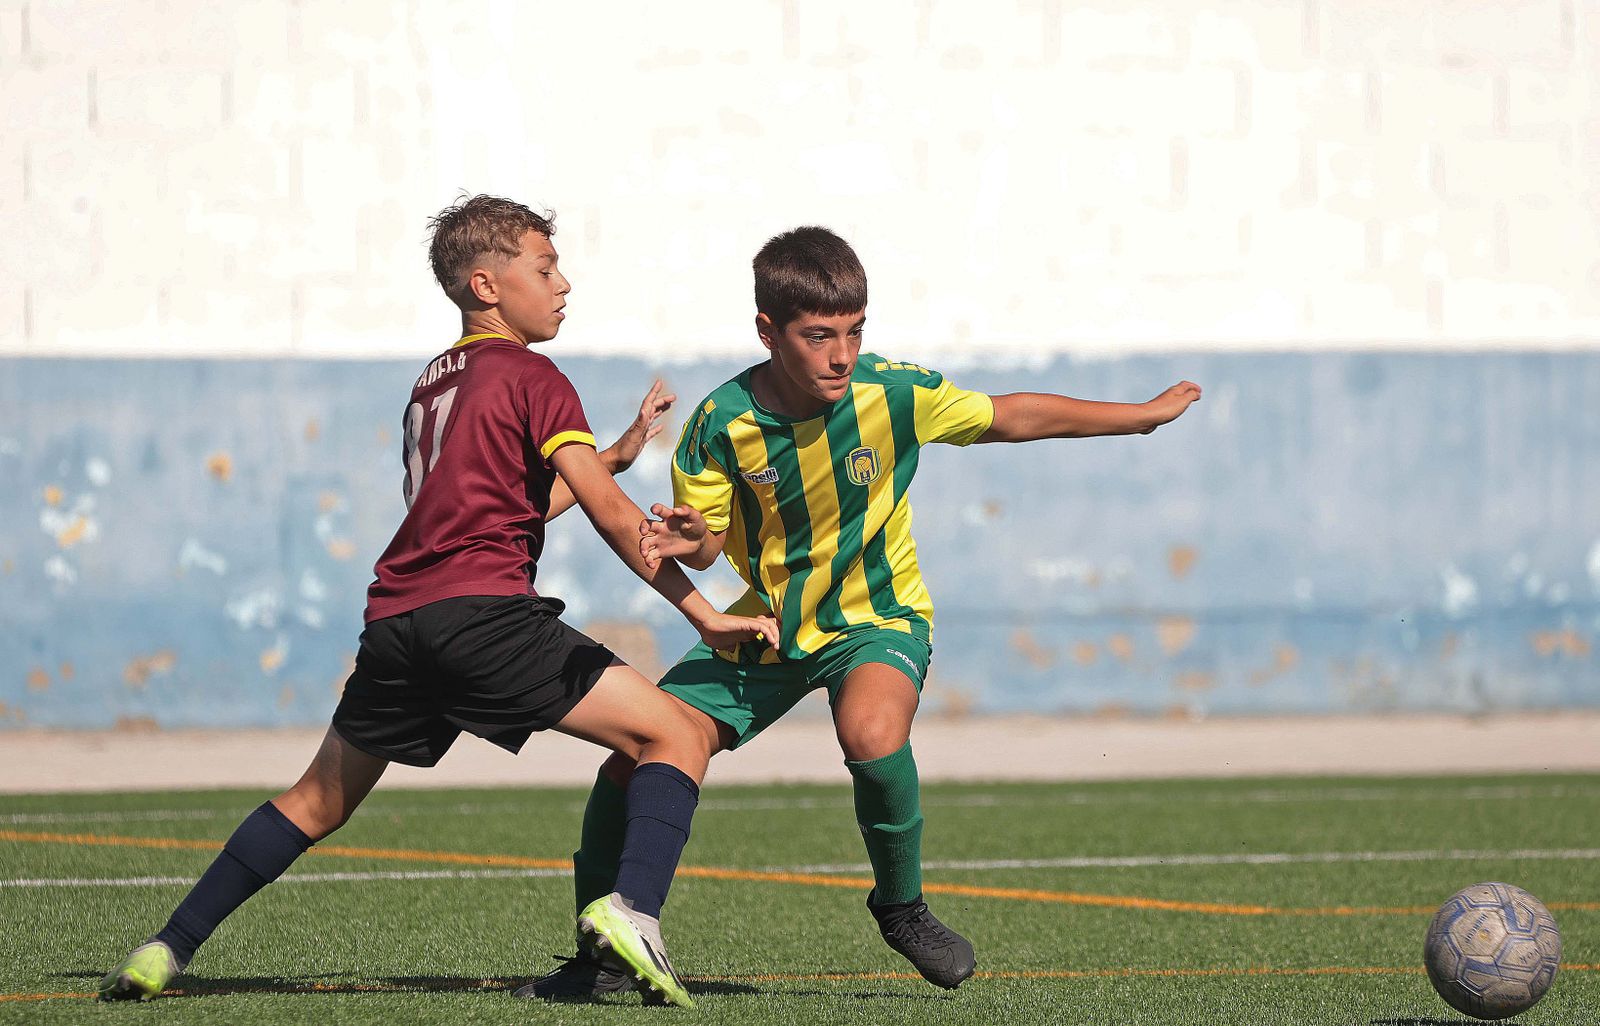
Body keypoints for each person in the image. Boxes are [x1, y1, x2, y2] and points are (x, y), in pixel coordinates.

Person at [97, 195, 778, 1009]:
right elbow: (602, 512)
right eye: (545, 267)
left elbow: (503, 508)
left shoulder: (433, 383)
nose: (564, 284)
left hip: (397, 622)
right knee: (673, 731)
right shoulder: (535, 373)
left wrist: (618, 454)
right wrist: (702, 611)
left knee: (316, 801)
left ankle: (165, 949)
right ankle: (633, 913)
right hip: (482, 618)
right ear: (486, 285)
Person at [529, 225, 1201, 999]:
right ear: (768, 333)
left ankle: (901, 906)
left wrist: (1140, 416)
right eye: (819, 337)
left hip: (880, 618)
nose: (841, 356)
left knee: (873, 732)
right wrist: (690, 540)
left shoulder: (892, 392)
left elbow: (1008, 414)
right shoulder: (721, 424)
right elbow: (708, 545)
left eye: (853, 333)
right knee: (639, 753)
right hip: (770, 624)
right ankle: (599, 954)